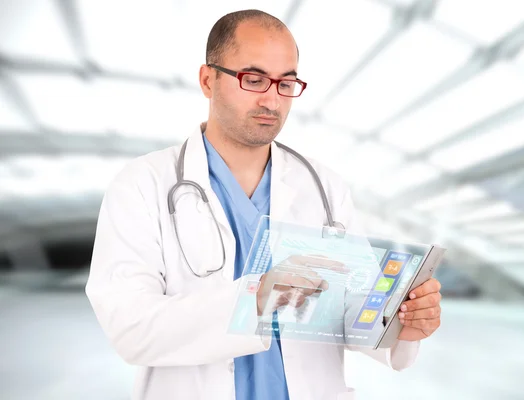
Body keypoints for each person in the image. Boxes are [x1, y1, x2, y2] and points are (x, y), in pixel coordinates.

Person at [86, 9, 442, 400]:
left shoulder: (324, 187)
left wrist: (402, 325)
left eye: (286, 84)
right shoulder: (142, 185)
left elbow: (350, 314)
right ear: (208, 80)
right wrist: (253, 299)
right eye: (253, 80)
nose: (271, 100)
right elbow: (130, 328)